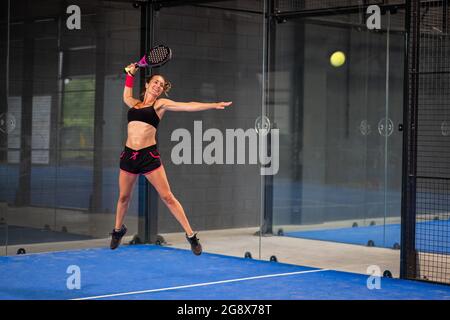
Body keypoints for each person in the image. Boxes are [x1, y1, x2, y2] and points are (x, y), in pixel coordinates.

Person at [110, 63, 232, 255]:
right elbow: (125, 95)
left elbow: (188, 106)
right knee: (124, 197)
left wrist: (213, 105)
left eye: (161, 84)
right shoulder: (134, 103)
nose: (158, 85)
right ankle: (118, 231)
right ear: (148, 85)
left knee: (168, 197)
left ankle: (191, 236)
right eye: (156, 82)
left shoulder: (160, 105)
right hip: (128, 156)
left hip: (148, 156)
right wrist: (130, 75)